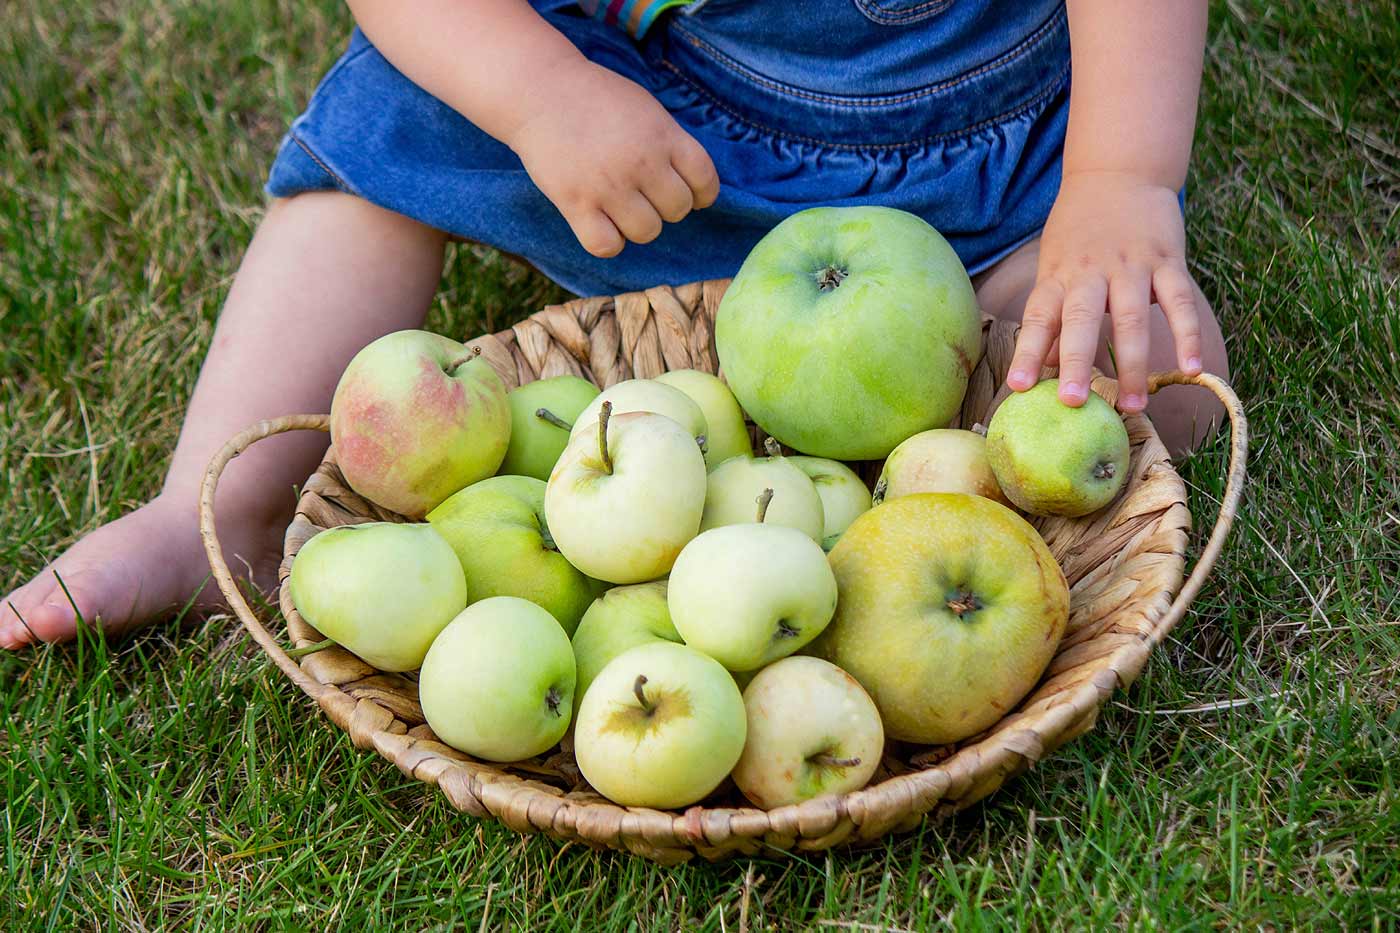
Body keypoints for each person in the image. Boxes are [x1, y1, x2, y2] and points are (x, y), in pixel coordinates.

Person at [0, 0, 1229, 649]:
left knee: (1156, 384)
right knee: (385, 143)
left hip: (958, 181)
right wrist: (538, 94)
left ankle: (933, 536)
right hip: (635, 136)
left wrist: (1118, 182)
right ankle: (217, 516)